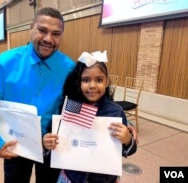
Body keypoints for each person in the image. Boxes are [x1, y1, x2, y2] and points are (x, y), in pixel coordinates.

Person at [0, 7, 76, 183]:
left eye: (56, 33)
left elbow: (87, 101)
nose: (48, 39)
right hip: (15, 143)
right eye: (42, 30)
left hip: (52, 145)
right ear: (31, 27)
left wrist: (118, 121)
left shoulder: (69, 68)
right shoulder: (6, 62)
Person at [43, 51, 138, 183]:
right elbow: (57, 136)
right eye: (86, 80)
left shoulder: (115, 112)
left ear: (106, 81)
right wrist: (48, 141)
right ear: (78, 82)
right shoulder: (71, 107)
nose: (92, 85)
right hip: (72, 177)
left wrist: (127, 140)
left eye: (99, 80)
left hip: (104, 179)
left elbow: (125, 149)